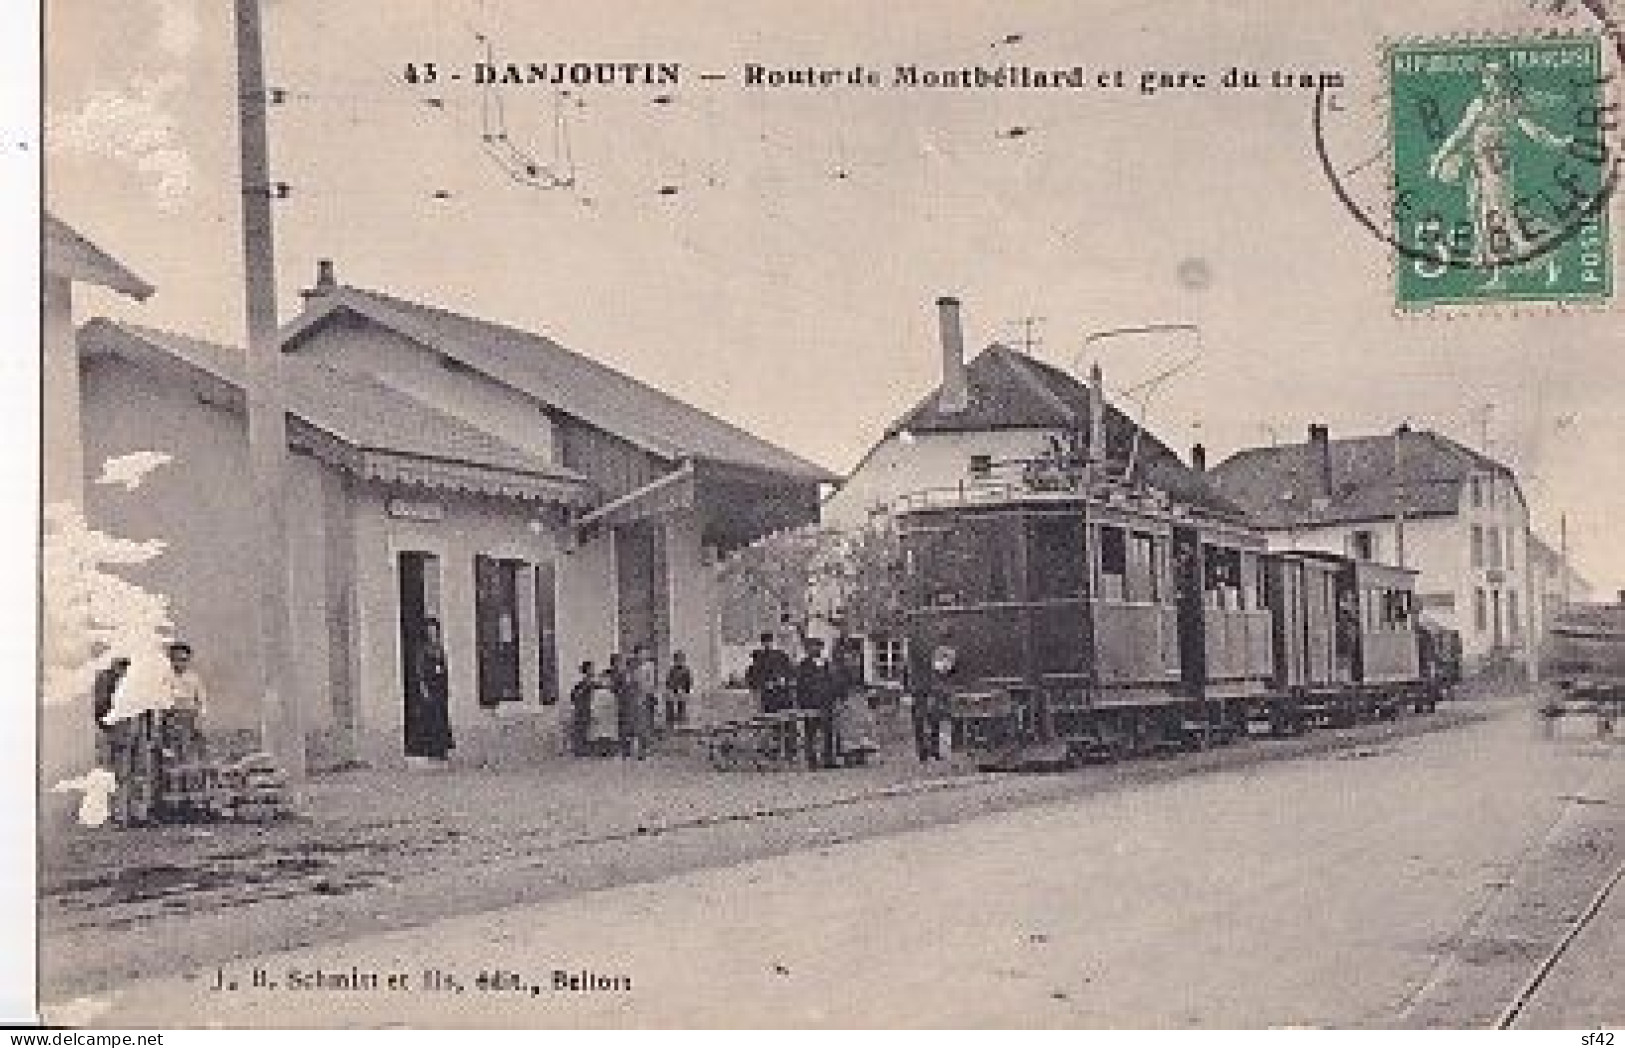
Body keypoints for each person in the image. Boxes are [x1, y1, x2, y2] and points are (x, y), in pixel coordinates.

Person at [1427, 60, 1573, 284]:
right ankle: (1498, 274)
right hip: (1477, 167)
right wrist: (1439, 158)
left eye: (1496, 78)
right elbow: (1460, 133)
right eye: (1488, 78)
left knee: (1503, 215)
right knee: (1482, 218)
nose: (1491, 82)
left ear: (1503, 81)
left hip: (1497, 166)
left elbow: (1534, 131)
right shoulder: (1479, 104)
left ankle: (1546, 256)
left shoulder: (1512, 104)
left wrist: (1558, 142)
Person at [406, 620, 454, 763]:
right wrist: (424, 689)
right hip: (430, 687)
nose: (432, 634)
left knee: (442, 718)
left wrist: (447, 687)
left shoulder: (439, 649)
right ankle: (430, 749)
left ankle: (442, 748)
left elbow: (444, 669)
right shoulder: (423, 651)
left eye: (435, 631)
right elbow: (419, 672)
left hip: (440, 688)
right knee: (430, 718)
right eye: (430, 632)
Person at [832, 640, 879, 766]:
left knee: (862, 724)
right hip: (847, 697)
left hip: (858, 697)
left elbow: (861, 680)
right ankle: (850, 755)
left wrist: (865, 689)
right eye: (849, 653)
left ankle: (860, 752)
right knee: (848, 728)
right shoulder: (838, 667)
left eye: (854, 653)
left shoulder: (859, 665)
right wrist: (842, 693)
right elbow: (838, 682)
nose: (852, 657)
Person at [795, 637, 839, 770]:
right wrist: (803, 703)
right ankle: (812, 760)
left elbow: (832, 682)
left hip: (826, 703)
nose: (816, 649)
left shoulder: (827, 664)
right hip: (810, 703)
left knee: (828, 732)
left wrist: (833, 697)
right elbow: (800, 686)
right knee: (810, 733)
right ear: (808, 650)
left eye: (819, 647)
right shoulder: (803, 665)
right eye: (813, 647)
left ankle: (828, 759)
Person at [163, 641, 209, 764]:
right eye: (176, 659)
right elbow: (160, 699)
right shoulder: (166, 677)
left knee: (191, 747)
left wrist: (201, 717)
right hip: (170, 718)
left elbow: (201, 699)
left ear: (188, 660)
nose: (179, 663)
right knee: (170, 748)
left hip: (189, 717)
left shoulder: (193, 678)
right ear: (170, 660)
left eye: (183, 660)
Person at [745, 633, 795, 714]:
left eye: (769, 642)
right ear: (762, 643)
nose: (768, 644)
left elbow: (791, 672)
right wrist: (764, 684)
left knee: (785, 714)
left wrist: (784, 680)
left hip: (783, 693)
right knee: (770, 716)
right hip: (768, 694)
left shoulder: (781, 656)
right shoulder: (759, 659)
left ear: (773, 642)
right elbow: (752, 678)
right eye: (765, 642)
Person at [632, 643, 660, 745]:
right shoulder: (634, 666)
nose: (642, 655)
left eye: (644, 653)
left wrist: (647, 693)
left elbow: (650, 682)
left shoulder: (649, 666)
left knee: (647, 720)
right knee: (638, 721)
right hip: (637, 696)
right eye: (640, 653)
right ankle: (640, 743)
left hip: (647, 695)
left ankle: (646, 743)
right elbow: (634, 681)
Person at [568, 661, 597, 757]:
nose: (593, 670)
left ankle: (583, 749)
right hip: (581, 709)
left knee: (586, 728)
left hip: (587, 708)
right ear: (587, 670)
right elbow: (574, 696)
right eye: (591, 669)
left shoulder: (592, 682)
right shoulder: (584, 683)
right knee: (581, 729)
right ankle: (579, 749)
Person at [664, 651, 693, 728]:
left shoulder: (686, 670)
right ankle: (670, 720)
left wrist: (686, 690)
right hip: (673, 690)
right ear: (674, 661)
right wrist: (671, 689)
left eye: (681, 660)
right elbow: (668, 681)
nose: (679, 662)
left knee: (682, 706)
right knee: (670, 704)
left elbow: (689, 681)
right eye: (677, 660)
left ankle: (681, 720)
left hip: (682, 690)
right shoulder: (672, 670)